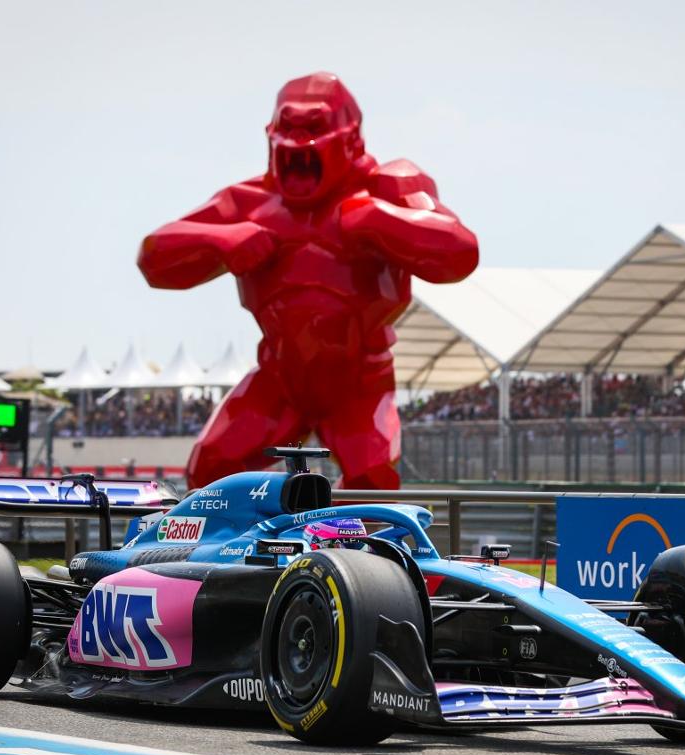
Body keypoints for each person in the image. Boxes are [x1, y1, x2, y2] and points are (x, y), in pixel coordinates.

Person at [138, 72, 479, 490]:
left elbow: (460, 252)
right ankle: (214, 555)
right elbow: (154, 257)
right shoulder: (248, 203)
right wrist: (220, 240)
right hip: (277, 379)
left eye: (314, 127)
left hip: (360, 383)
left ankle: (358, 556)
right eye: (289, 127)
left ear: (351, 138)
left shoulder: (390, 186)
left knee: (372, 478)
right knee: (211, 467)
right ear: (271, 135)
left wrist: (377, 219)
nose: (299, 142)